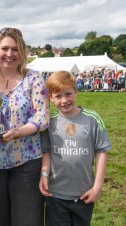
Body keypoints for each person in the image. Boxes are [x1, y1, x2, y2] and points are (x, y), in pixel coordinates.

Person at [0, 27, 49, 226]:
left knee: (28, 220)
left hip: (27, 162)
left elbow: (42, 117)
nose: (10, 54)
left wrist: (18, 132)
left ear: (22, 52)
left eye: (15, 49)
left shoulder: (33, 78)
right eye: (5, 48)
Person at [39, 71, 111, 226]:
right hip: (55, 194)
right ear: (50, 98)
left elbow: (102, 152)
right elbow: (47, 151)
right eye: (58, 96)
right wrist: (44, 175)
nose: (64, 100)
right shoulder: (49, 122)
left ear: (76, 92)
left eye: (68, 94)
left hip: (84, 194)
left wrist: (97, 187)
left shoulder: (93, 119)